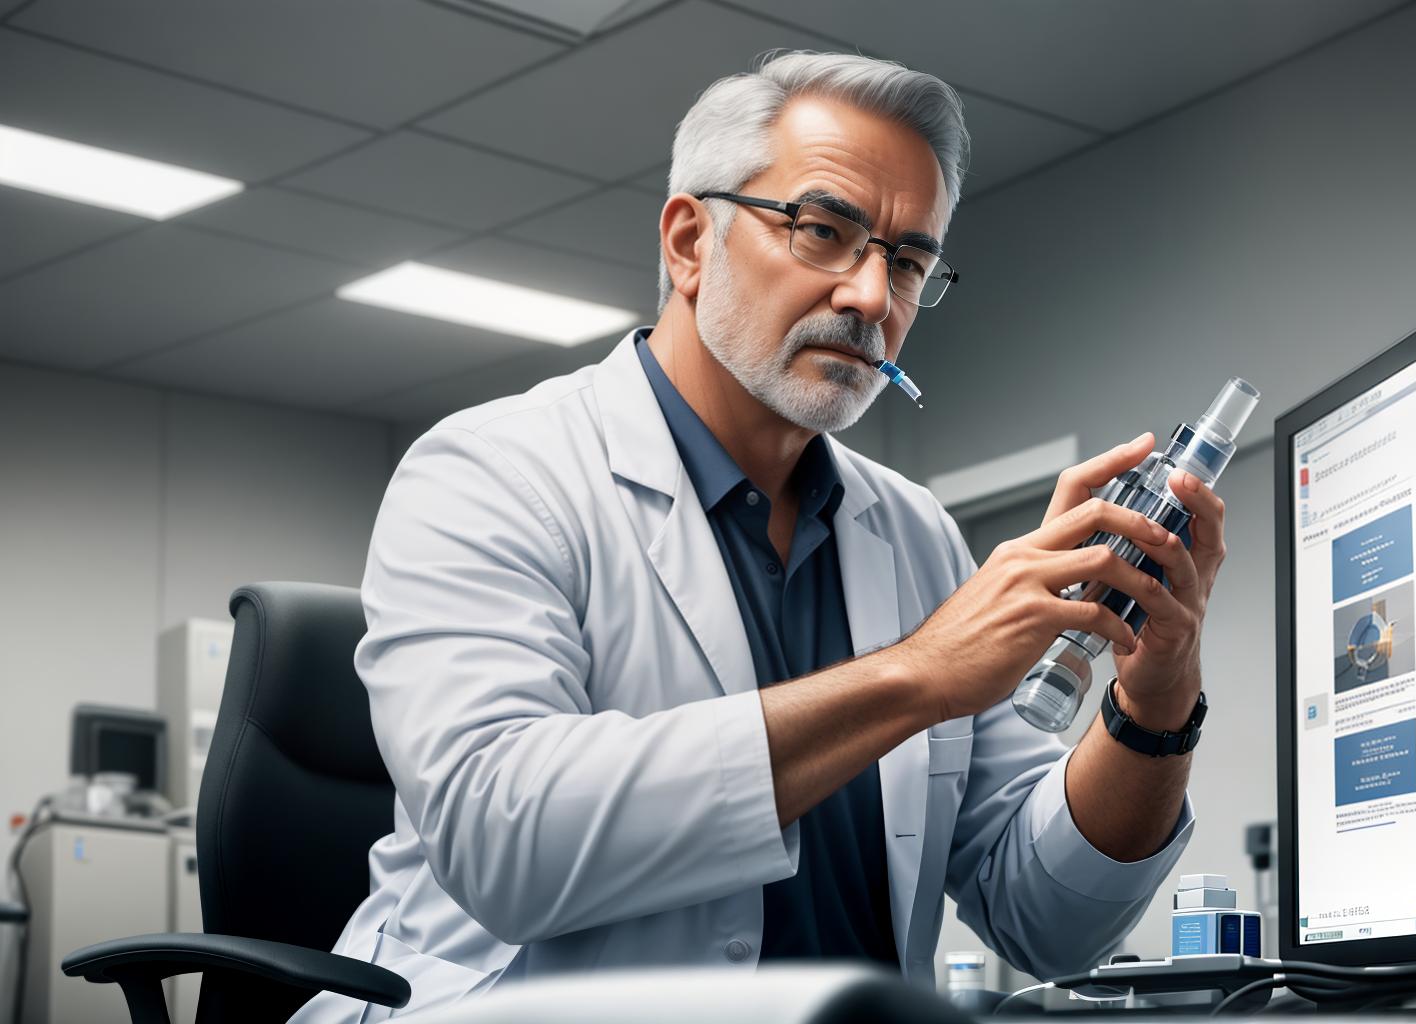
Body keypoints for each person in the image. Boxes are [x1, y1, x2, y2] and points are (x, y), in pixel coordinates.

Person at [291, 50, 1226, 1023]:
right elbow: (506, 844)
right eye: (824, 231)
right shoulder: (491, 472)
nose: (872, 298)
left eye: (907, 261)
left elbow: (1046, 920)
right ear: (691, 242)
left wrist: (1154, 707)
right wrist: (916, 676)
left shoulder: (914, 536)